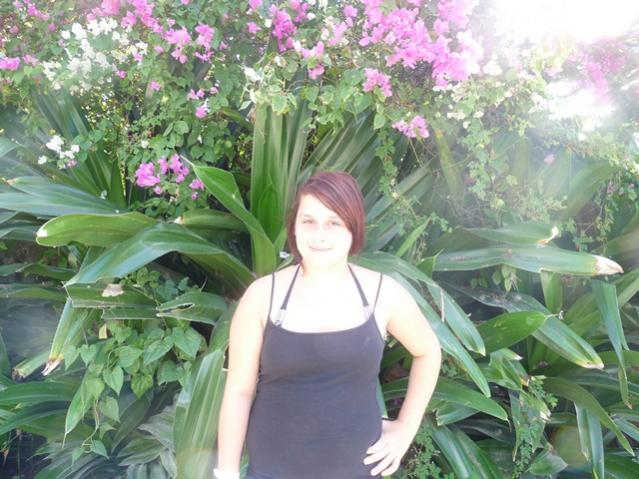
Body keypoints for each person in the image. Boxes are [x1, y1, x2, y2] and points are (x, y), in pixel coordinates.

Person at [216, 171, 442, 479]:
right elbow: (239, 391)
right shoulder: (262, 296)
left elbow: (428, 351)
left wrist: (405, 428)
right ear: (294, 227)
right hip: (271, 471)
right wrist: (227, 473)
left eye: (334, 222)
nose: (319, 235)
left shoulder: (383, 293)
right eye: (308, 221)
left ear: (353, 227)